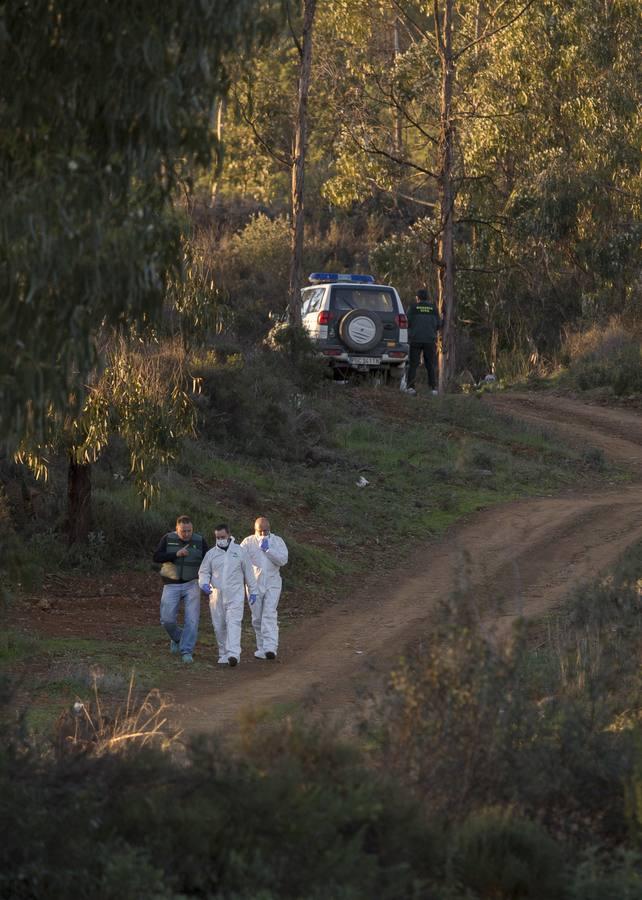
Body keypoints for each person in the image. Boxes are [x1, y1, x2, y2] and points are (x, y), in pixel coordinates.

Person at [198, 523, 258, 667]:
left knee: (233, 623)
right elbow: (204, 571)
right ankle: (223, 653)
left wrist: (253, 590)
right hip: (216, 596)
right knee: (219, 626)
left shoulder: (240, 551)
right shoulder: (211, 554)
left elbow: (249, 572)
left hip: (235, 595)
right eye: (217, 537)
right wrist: (204, 583)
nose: (220, 540)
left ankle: (233, 654)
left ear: (229, 535)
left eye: (223, 537)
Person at [153, 515, 208, 664]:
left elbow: (208, 561)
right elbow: (156, 557)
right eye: (183, 531)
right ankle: (177, 637)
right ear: (177, 529)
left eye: (189, 531)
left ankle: (186, 651)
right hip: (171, 583)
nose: (187, 534)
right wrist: (175, 554)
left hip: (192, 583)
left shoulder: (199, 540)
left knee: (192, 619)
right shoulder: (167, 538)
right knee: (166, 619)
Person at [241, 516, 288, 660]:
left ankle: (270, 648)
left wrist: (268, 550)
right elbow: (239, 561)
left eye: (265, 531)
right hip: (254, 585)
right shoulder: (248, 542)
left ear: (270, 529)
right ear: (255, 530)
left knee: (269, 613)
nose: (262, 534)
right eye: (259, 531)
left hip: (272, 583)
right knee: (257, 617)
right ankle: (261, 648)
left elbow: (283, 560)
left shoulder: (277, 541)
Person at [405, 288, 442, 395]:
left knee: (413, 364)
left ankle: (410, 387)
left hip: (415, 339)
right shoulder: (433, 309)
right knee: (430, 365)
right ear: (427, 297)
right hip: (429, 340)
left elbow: (407, 322)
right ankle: (433, 389)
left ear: (417, 298)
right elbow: (439, 324)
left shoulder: (412, 308)